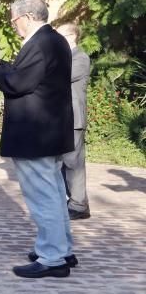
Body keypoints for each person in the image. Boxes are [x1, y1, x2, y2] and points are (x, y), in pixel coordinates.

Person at [0, 0, 77, 278]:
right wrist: (2, 65)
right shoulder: (55, 40)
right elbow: (31, 78)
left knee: (43, 196)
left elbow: (18, 83)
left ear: (27, 17)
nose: (14, 25)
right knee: (56, 194)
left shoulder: (41, 43)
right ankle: (61, 248)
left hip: (36, 134)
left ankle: (53, 257)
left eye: (14, 20)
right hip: (50, 131)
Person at [56, 23, 91, 220]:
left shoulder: (80, 57)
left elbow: (61, 77)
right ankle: (70, 201)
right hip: (62, 117)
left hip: (74, 118)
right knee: (62, 163)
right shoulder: (65, 57)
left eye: (59, 34)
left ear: (71, 36)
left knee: (73, 163)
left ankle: (79, 205)